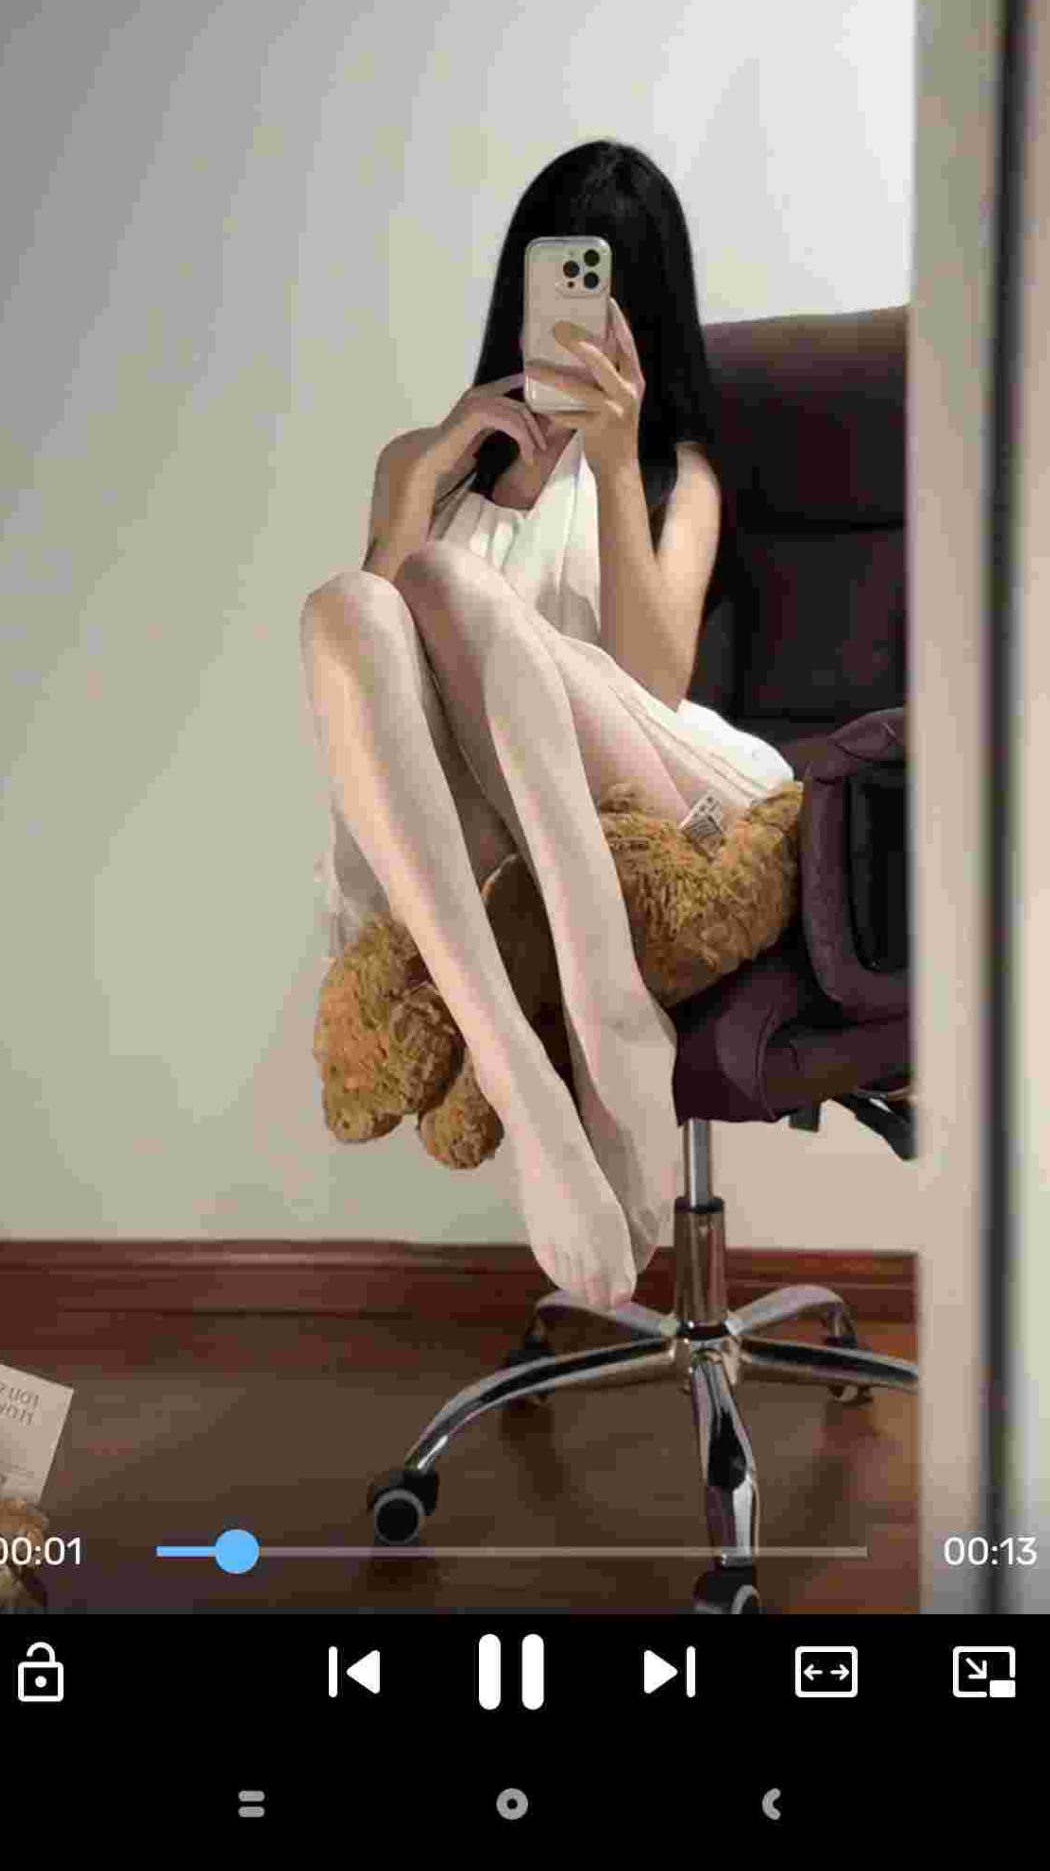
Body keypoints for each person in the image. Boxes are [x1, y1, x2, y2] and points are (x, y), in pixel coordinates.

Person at [300, 141, 793, 1314]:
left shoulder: (675, 477)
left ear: (642, 310)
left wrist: (615, 465)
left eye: (602, 291)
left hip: (670, 803)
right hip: (488, 828)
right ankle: (525, 1079)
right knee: (348, 606)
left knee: (451, 586)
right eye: (557, 282)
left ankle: (602, 1002)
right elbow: (375, 708)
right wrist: (420, 487)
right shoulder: (421, 466)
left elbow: (650, 680)